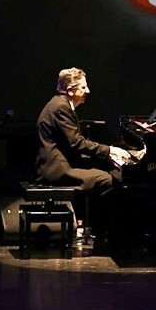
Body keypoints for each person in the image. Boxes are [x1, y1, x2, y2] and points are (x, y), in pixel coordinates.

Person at [35, 68, 139, 241]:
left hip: (61, 163)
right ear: (70, 91)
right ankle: (108, 231)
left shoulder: (59, 104)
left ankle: (102, 229)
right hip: (56, 170)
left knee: (107, 171)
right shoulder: (61, 107)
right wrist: (110, 150)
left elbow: (72, 144)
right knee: (109, 180)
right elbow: (77, 143)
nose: (88, 91)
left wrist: (105, 155)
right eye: (83, 87)